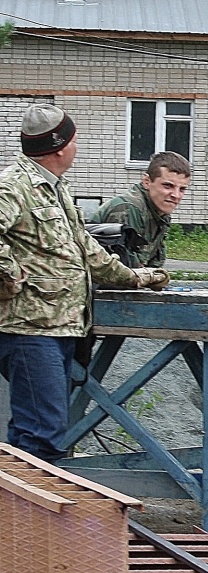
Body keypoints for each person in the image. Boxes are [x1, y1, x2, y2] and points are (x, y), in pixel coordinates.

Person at [0, 103, 170, 462]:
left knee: (35, 429)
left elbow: (87, 249)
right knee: (42, 434)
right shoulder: (15, 185)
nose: (77, 147)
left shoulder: (54, 188)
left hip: (61, 327)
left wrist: (134, 277)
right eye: (75, 139)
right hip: (30, 329)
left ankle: (16, 513)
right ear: (60, 146)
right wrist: (10, 276)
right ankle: (35, 515)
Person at [89, 151, 190, 268]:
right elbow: (120, 269)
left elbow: (153, 263)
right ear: (147, 182)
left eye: (182, 189)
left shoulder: (159, 212)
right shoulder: (129, 208)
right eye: (168, 186)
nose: (176, 195)